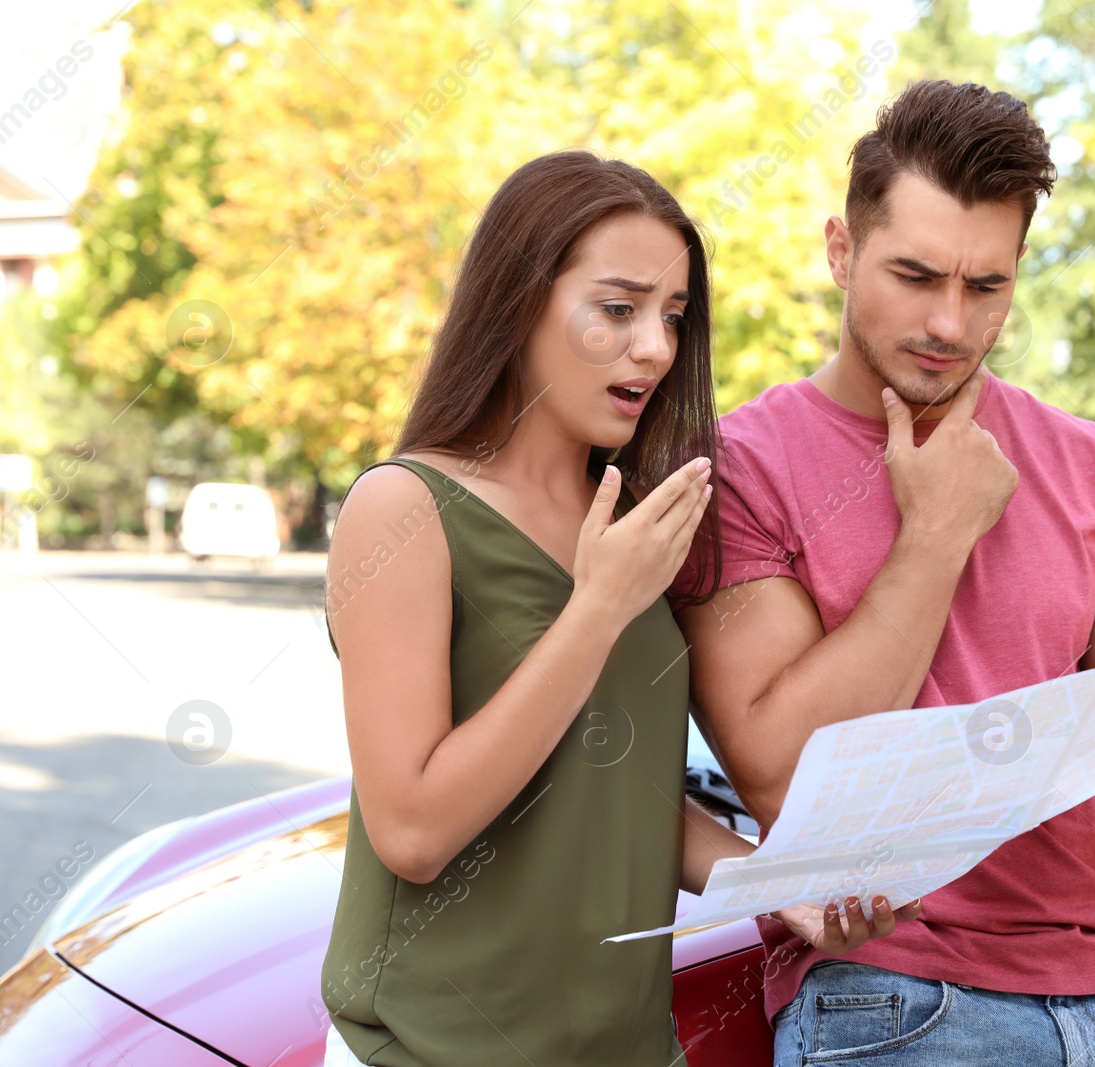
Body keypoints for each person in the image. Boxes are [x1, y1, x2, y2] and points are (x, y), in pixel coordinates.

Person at [670, 81, 1095, 1066]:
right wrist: (934, 537)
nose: (947, 320)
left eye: (986, 286)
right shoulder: (743, 466)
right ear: (840, 250)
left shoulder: (1083, 460)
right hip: (891, 989)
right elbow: (783, 767)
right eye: (914, 275)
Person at [318, 151, 920, 1067]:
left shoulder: (642, 519)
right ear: (518, 302)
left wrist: (778, 883)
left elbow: (616, 788)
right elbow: (413, 831)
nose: (656, 347)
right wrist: (598, 609)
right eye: (618, 309)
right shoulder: (403, 510)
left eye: (674, 317)